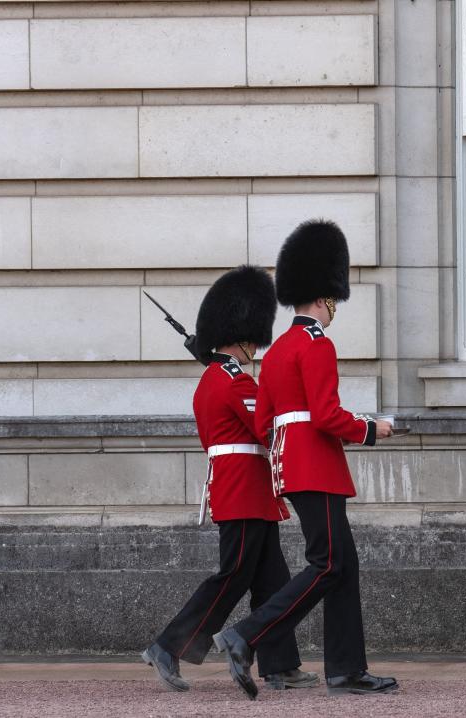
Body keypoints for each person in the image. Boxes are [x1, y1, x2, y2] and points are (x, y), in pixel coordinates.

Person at [212, 220, 397, 700]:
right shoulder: (317, 344)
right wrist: (371, 430)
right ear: (325, 298)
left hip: (291, 467)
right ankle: (246, 635)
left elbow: (265, 423)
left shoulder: (274, 355)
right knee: (328, 562)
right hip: (316, 465)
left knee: (343, 566)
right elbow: (327, 415)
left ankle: (347, 670)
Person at [141, 265, 317, 693]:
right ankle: (169, 646)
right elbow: (268, 428)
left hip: (245, 489)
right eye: (253, 340)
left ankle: (280, 665)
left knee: (271, 581)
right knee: (232, 575)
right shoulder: (235, 383)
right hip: (243, 490)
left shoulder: (214, 379)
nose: (257, 346)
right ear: (240, 337)